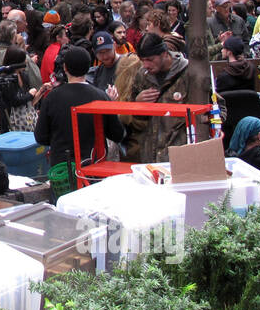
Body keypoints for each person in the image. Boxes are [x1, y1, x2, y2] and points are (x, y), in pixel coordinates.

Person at [34, 46, 123, 195]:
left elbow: (41, 136)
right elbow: (117, 134)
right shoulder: (100, 96)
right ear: (88, 67)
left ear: (65, 67)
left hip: (62, 170)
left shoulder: (52, 97)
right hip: (93, 169)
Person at [127, 32, 192, 162]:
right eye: (142, 60)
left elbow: (216, 107)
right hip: (149, 154)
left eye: (150, 60)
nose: (146, 65)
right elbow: (132, 118)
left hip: (181, 154)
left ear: (164, 54)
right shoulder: (142, 75)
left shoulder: (189, 73)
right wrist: (137, 103)